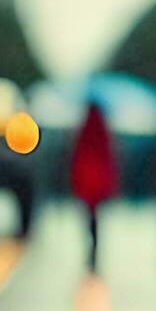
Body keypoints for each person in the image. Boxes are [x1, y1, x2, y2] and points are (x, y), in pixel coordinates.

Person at [69, 102, 118, 271]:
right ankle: (94, 247)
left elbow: (76, 158)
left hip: (87, 180)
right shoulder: (103, 132)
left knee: (89, 216)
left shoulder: (84, 132)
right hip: (98, 181)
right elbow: (110, 159)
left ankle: (91, 247)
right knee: (95, 217)